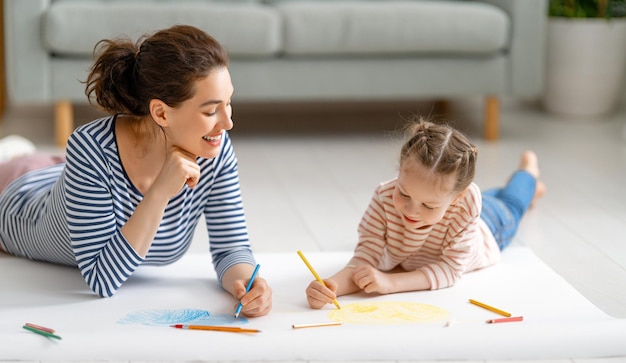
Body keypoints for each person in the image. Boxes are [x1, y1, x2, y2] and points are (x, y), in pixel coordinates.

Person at [0, 25, 272, 317]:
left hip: (64, 177)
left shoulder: (214, 149)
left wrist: (248, 283)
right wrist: (160, 192)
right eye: (210, 111)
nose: (228, 123)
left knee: (56, 166)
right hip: (20, 197)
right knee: (22, 164)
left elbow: (231, 249)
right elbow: (102, 279)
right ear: (161, 113)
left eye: (228, 103)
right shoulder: (90, 148)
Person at [305, 118, 546, 309]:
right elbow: (365, 258)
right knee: (496, 197)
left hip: (489, 227)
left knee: (512, 205)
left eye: (428, 206)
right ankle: (527, 187)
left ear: (458, 198)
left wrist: (391, 283)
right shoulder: (384, 196)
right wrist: (331, 285)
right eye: (405, 194)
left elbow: (451, 270)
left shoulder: (467, 203)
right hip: (457, 204)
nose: (411, 211)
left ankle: (528, 173)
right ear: (399, 173)